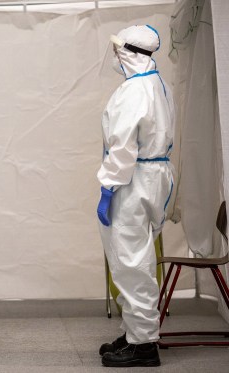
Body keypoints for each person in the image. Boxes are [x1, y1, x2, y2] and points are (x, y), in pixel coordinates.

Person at [96, 25, 175, 367]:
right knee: (138, 258)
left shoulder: (134, 91)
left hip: (134, 180)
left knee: (131, 263)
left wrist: (108, 186)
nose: (114, 55)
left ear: (130, 52)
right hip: (156, 177)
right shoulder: (159, 85)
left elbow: (123, 148)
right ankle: (135, 331)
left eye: (118, 49)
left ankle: (143, 345)